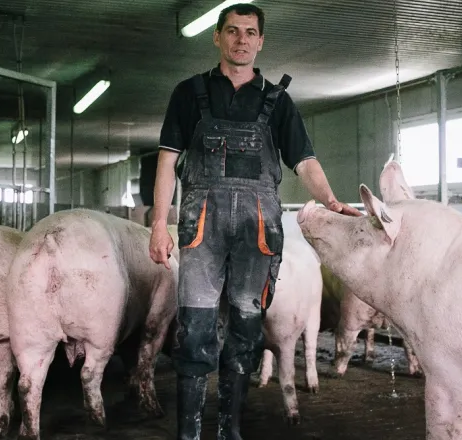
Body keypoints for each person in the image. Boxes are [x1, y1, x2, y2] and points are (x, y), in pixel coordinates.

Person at [148, 3, 362, 439]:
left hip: (257, 235)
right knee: (194, 334)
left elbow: (304, 162)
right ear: (217, 37)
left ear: (260, 41)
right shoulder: (189, 93)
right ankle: (188, 434)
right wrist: (157, 225)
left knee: (245, 335)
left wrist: (329, 199)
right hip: (201, 233)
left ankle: (230, 430)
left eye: (249, 32)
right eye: (232, 31)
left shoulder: (278, 101)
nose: (241, 39)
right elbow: (167, 161)